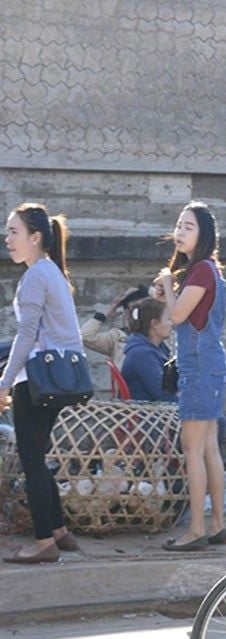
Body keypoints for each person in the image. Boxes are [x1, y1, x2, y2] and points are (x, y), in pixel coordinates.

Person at [0, 203, 82, 563]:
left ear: (36, 238)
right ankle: (60, 530)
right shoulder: (52, 272)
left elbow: (26, 334)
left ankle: (44, 542)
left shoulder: (35, 276)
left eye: (14, 232)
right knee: (37, 455)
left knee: (30, 459)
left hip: (34, 381)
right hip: (57, 379)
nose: (7, 239)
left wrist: (3, 382)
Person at [154, 202, 226, 552]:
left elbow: (178, 316)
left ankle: (197, 528)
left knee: (193, 449)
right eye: (179, 225)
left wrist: (169, 283)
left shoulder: (200, 271)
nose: (180, 232)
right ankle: (216, 525)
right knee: (209, 448)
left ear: (203, 235)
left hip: (199, 369)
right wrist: (171, 287)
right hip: (210, 367)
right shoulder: (208, 271)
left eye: (188, 227)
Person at [121, 297, 176, 402]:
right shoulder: (141, 355)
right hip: (150, 414)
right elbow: (164, 395)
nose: (172, 323)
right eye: (168, 319)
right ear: (154, 323)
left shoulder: (157, 348)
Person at [80, 285, 150, 367]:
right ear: (126, 313)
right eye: (133, 310)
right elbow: (86, 336)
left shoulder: (160, 334)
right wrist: (111, 308)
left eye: (144, 309)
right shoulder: (117, 336)